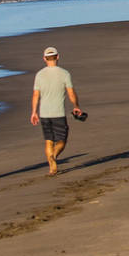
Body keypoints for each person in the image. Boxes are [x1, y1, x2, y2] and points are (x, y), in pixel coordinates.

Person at [30, 46, 83, 176]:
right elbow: (70, 93)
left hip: (44, 113)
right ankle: (53, 157)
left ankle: (52, 167)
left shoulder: (40, 74)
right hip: (58, 112)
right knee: (62, 141)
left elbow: (35, 95)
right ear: (58, 57)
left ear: (44, 59)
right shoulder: (64, 73)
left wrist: (34, 112)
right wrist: (76, 106)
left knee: (49, 140)